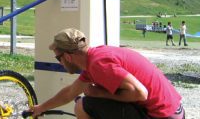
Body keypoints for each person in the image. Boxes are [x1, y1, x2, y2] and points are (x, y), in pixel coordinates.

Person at [29, 28, 184, 119]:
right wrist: (41, 108)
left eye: (58, 58)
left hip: (163, 115)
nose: (59, 62)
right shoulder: (94, 59)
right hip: (174, 111)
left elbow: (141, 93)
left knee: (83, 105)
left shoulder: (99, 64)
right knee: (84, 100)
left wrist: (100, 93)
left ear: (68, 56)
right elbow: (70, 92)